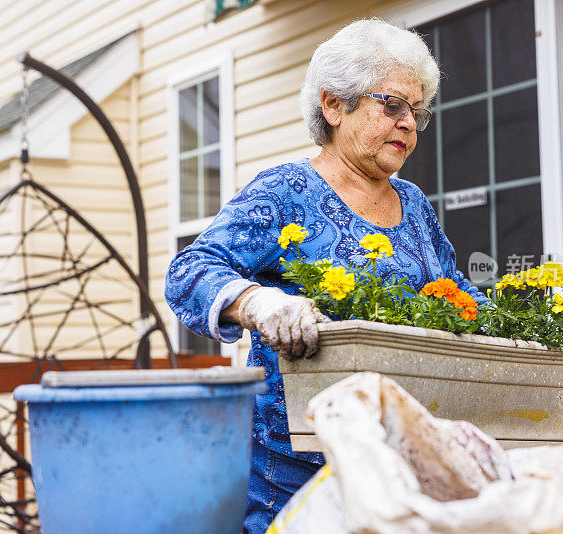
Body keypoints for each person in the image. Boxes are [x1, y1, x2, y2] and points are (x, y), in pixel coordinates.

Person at [165, 18, 486, 533]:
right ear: (333, 105)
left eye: (417, 111)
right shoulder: (286, 191)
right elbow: (189, 272)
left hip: (400, 473)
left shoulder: (414, 204)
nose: (409, 123)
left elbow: (456, 294)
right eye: (392, 104)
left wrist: (521, 322)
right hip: (296, 481)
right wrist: (261, 304)